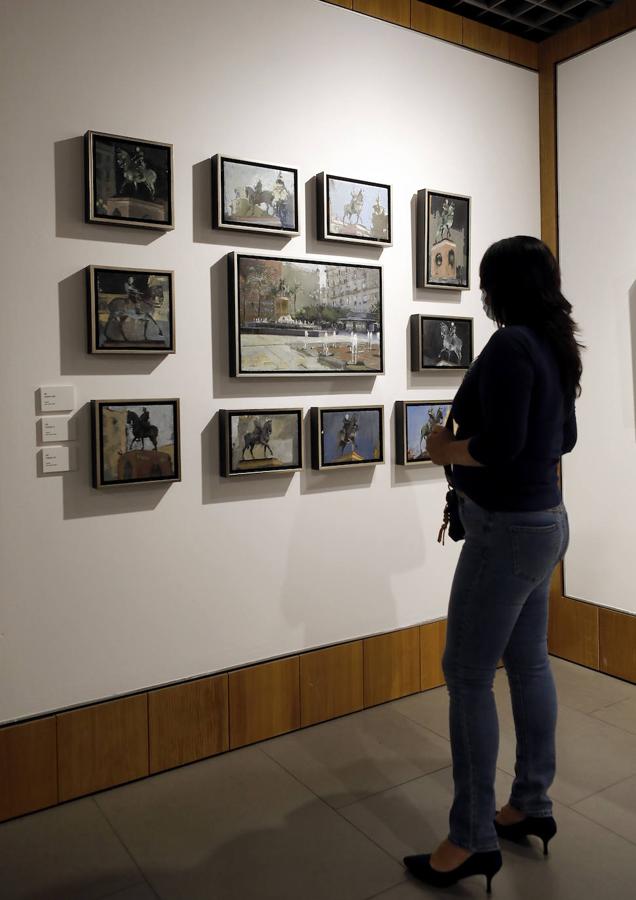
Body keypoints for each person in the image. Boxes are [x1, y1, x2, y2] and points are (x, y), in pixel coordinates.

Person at [404, 236, 582, 892]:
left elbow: (501, 446)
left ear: (500, 286)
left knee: (467, 673)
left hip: (505, 531)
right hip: (545, 522)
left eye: (485, 281)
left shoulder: (511, 345)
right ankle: (529, 802)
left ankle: (472, 837)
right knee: (529, 663)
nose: (480, 292)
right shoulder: (555, 344)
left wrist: (445, 450)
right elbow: (563, 439)